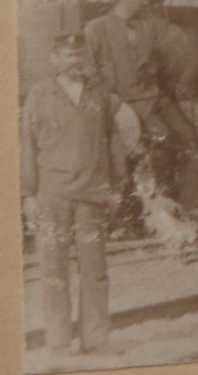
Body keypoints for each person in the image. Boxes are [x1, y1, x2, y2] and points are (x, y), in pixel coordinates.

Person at [21, 33, 133, 355]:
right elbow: (26, 147)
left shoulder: (100, 95)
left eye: (81, 56)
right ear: (55, 60)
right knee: (54, 272)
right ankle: (57, 343)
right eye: (69, 56)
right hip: (51, 197)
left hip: (92, 198)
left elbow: (113, 144)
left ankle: (96, 340)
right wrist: (28, 194)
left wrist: (116, 188)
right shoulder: (40, 95)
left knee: (95, 272)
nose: (77, 61)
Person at [83, 0, 198, 224]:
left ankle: (194, 204)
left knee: (190, 137)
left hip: (154, 98)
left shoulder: (149, 25)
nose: (144, 2)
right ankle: (163, 204)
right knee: (161, 139)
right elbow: (89, 71)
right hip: (124, 104)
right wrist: (112, 102)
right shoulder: (96, 29)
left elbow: (178, 43)